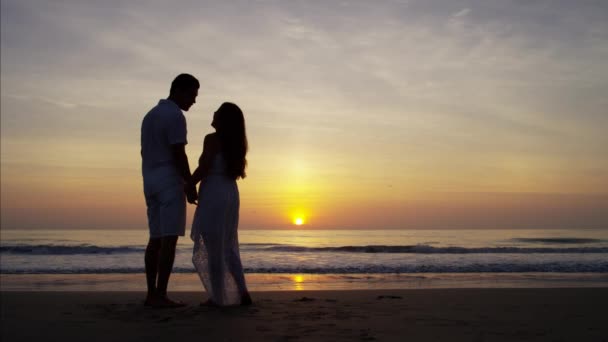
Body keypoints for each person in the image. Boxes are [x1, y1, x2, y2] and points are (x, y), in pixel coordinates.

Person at [140, 74, 199, 308]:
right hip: (168, 182)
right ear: (180, 91)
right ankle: (161, 294)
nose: (194, 101)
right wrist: (189, 184)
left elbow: (144, 152)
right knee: (169, 240)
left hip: (149, 180)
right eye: (193, 95)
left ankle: (151, 293)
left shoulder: (150, 115)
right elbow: (178, 153)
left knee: (155, 238)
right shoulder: (175, 115)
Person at [189, 102, 252, 306]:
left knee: (215, 247)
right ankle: (243, 293)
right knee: (228, 246)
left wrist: (188, 184)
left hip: (215, 192)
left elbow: (205, 167)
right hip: (230, 193)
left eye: (217, 111)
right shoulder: (237, 143)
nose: (213, 112)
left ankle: (218, 297)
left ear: (223, 119)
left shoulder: (212, 139)